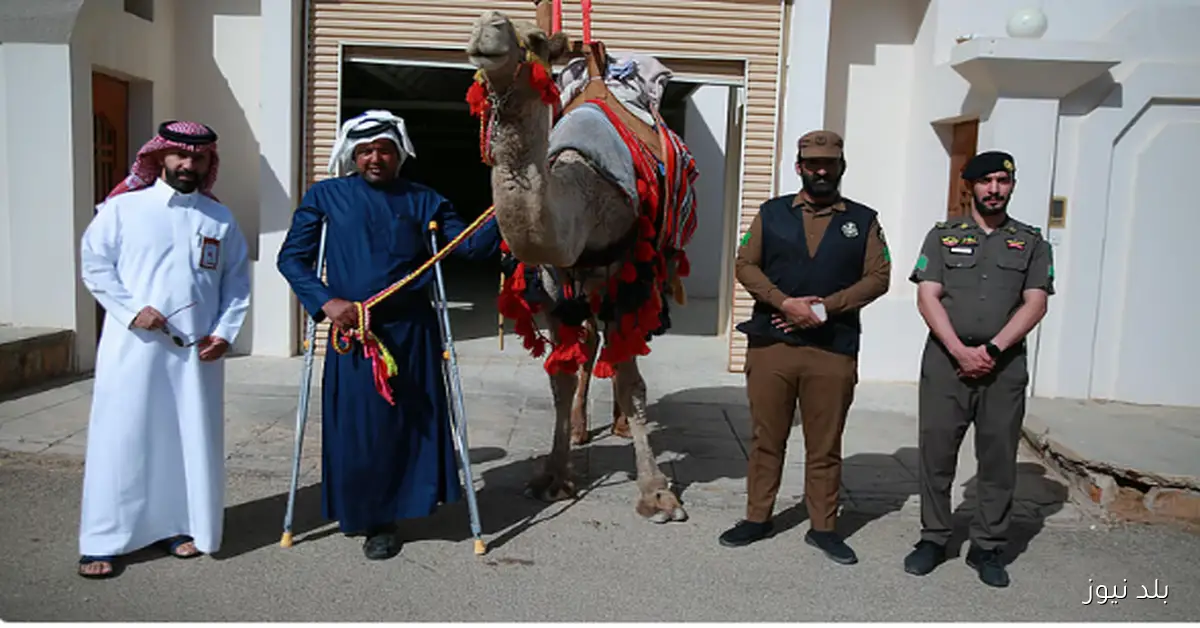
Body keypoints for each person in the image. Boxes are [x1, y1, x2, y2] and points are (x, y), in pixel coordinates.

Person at [276, 110, 502, 560]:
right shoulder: (326, 196)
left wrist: (509, 205)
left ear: (399, 154)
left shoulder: (425, 199)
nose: (374, 158)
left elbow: (470, 247)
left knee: (409, 423)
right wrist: (326, 302)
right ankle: (372, 516)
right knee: (362, 428)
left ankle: (403, 508)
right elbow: (292, 259)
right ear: (351, 155)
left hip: (413, 332)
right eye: (364, 151)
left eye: (383, 150)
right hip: (354, 333)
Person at [76, 120, 252, 578]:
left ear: (209, 163)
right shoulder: (122, 209)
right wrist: (133, 310)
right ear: (160, 157)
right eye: (180, 155)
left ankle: (178, 527)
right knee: (123, 438)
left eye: (198, 157)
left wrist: (225, 333)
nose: (188, 164)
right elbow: (95, 266)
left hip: (197, 354)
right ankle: (103, 540)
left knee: (184, 437)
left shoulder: (219, 218)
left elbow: (236, 283)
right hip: (133, 348)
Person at [719, 130, 891, 564]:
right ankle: (757, 517)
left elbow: (878, 278)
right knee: (766, 437)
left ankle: (824, 527)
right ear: (799, 167)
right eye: (813, 163)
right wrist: (784, 303)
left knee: (825, 443)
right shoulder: (771, 213)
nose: (821, 171)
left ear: (841, 167)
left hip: (832, 349)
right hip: (772, 345)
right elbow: (745, 264)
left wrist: (823, 309)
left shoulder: (863, 220)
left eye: (829, 163)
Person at [904, 150, 1054, 588]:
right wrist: (958, 350)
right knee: (936, 453)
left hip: (1003, 366)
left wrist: (991, 349)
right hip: (945, 363)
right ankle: (934, 538)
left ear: (1011, 186)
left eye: (1002, 182)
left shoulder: (1031, 242)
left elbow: (1036, 302)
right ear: (969, 186)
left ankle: (988, 545)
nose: (994, 189)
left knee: (998, 457)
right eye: (986, 181)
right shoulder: (942, 236)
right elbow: (927, 295)